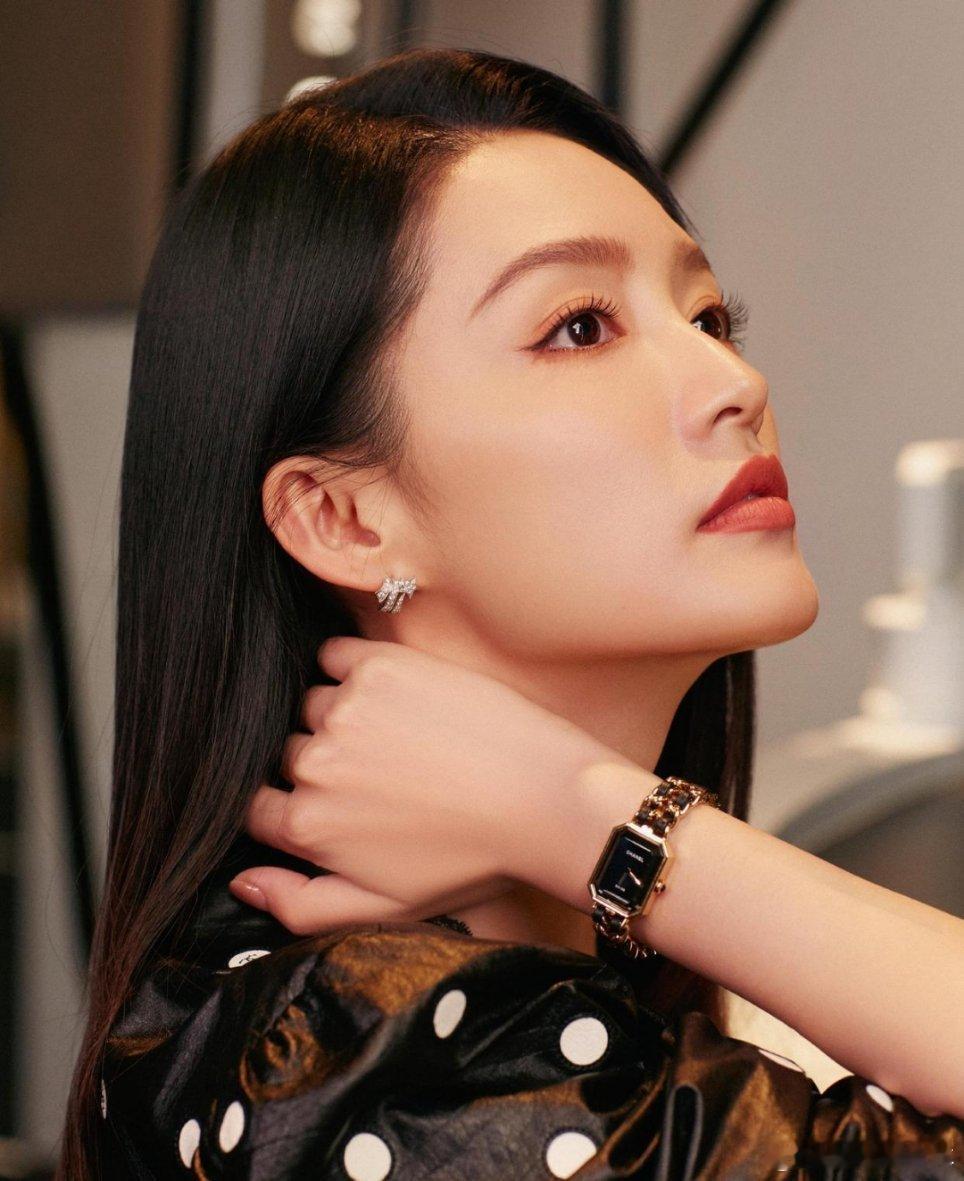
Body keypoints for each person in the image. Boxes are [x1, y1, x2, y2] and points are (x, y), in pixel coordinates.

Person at [57, 46, 964, 1179]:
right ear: (344, 518)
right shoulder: (361, 1062)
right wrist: (620, 832)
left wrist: (587, 818)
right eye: (580, 326)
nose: (735, 383)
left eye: (708, 315)